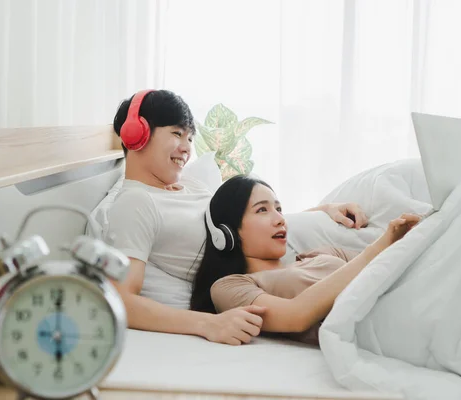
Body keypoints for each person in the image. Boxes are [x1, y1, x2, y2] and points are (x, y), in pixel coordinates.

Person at [106, 89, 370, 345]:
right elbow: (122, 299)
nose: (187, 148)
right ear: (136, 134)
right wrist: (206, 324)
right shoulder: (136, 203)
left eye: (190, 138)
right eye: (177, 134)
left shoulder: (191, 185)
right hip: (276, 280)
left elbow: (243, 222)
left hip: (304, 258)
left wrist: (321, 211)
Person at [190, 175, 420, 345]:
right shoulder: (230, 286)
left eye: (279, 209)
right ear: (227, 233)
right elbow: (295, 316)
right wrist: (381, 244)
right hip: (390, 329)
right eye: (262, 210)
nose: (280, 219)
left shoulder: (321, 255)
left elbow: (391, 269)